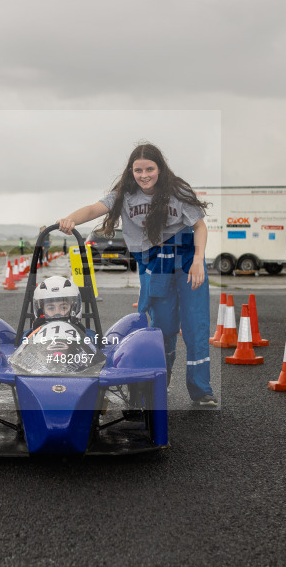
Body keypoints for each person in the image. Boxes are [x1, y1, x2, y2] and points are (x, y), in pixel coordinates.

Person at [57, 142, 218, 406]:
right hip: (155, 266)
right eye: (138, 170)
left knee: (195, 328)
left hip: (187, 263)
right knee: (162, 329)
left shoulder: (177, 191)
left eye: (150, 169)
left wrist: (199, 259)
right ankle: (158, 384)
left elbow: (200, 226)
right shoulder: (125, 193)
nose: (144, 175)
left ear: (160, 169)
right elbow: (93, 209)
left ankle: (202, 392)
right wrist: (70, 219)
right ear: (131, 171)